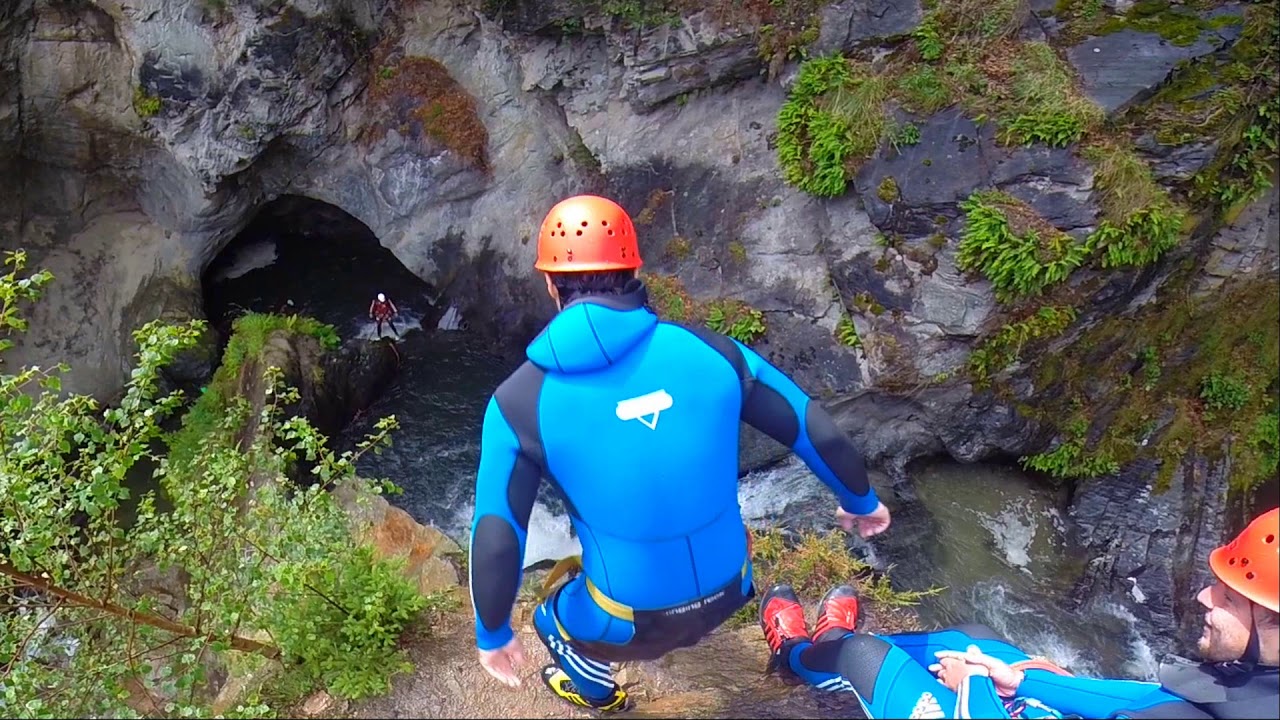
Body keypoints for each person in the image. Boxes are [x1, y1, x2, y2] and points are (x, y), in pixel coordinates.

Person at [466, 194, 893, 713]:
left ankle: (598, 693)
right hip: (733, 588)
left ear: (552, 284)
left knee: (549, 615)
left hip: (625, 624)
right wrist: (862, 501)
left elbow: (495, 538)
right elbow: (814, 428)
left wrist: (492, 636)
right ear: (634, 269)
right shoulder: (714, 352)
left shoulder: (518, 402)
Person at [759, 507, 1280, 719]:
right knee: (975, 635)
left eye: (1229, 599)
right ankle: (827, 648)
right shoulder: (1248, 688)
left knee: (863, 652)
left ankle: (797, 655)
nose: (1204, 599)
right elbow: (1136, 700)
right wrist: (1018, 677)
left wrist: (977, 686)